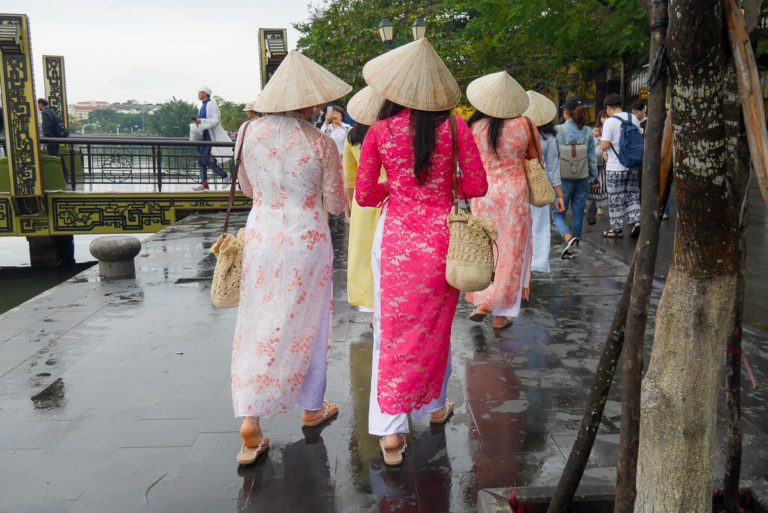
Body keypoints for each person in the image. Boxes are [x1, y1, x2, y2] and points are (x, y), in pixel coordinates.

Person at [356, 38, 487, 466]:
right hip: (442, 243)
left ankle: (391, 435)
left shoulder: (380, 131)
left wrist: (395, 188)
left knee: (392, 332)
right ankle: (434, 404)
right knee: (435, 330)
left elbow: (362, 194)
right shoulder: (455, 128)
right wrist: (443, 189)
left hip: (395, 241)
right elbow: (477, 185)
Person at [230, 50, 350, 466]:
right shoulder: (319, 143)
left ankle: (251, 417)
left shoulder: (246, 133)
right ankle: (312, 406)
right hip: (306, 241)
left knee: (257, 321)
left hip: (262, 236)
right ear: (307, 100)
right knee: (310, 324)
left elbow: (247, 189)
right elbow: (336, 204)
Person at [464, 71, 534, 330]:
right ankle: (499, 312)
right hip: (514, 194)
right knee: (511, 250)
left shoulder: (474, 127)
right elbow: (533, 157)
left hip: (484, 194)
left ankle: (482, 299)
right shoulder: (525, 125)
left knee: (486, 249)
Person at [344, 86, 386, 312]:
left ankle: (370, 305)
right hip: (389, 198)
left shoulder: (353, 137)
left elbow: (349, 176)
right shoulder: (389, 133)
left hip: (363, 201)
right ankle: (386, 302)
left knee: (364, 254)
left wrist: (350, 207)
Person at [523, 91, 565, 273]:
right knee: (539, 226)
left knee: (521, 226)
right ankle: (536, 263)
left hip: (519, 185)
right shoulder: (549, 136)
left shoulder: (517, 132)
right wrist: (559, 194)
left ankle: (523, 262)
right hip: (541, 186)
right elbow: (553, 167)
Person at [552, 97, 597, 257]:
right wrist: (593, 178)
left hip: (563, 179)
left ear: (565, 112)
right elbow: (592, 158)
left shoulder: (558, 130)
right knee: (578, 213)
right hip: (582, 178)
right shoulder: (588, 131)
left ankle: (568, 237)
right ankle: (574, 246)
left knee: (558, 213)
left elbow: (553, 157)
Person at [600, 93, 642, 238]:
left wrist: (600, 141)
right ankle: (636, 221)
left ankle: (617, 230)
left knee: (615, 199)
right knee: (632, 195)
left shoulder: (609, 122)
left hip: (615, 167)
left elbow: (605, 145)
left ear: (608, 107)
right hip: (632, 165)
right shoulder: (633, 118)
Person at [193, 86, 231, 191]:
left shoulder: (211, 104)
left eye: (200, 92)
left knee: (204, 159)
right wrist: (198, 121)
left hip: (208, 135)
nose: (198, 94)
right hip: (202, 135)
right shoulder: (203, 106)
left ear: (205, 93)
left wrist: (202, 121)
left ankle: (224, 176)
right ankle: (204, 184)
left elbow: (215, 120)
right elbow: (205, 120)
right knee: (201, 160)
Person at [588, 110, 609, 224]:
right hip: (595, 161)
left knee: (600, 185)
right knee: (594, 184)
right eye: (602, 116)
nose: (603, 119)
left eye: (605, 117)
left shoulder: (608, 129)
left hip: (602, 162)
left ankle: (597, 206)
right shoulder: (595, 130)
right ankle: (591, 205)